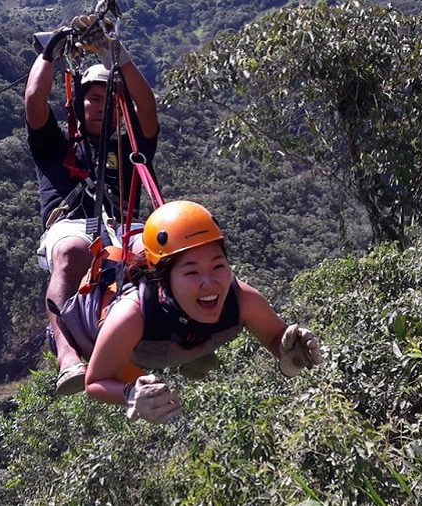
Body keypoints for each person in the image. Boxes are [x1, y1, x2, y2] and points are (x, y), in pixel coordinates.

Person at [84, 201, 323, 424]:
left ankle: (195, 350)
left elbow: (276, 338)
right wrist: (131, 393)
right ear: (164, 279)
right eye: (191, 272)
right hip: (132, 348)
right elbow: (94, 382)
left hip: (177, 342)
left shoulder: (241, 300)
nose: (209, 283)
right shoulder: (133, 315)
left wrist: (289, 351)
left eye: (218, 266)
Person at [25, 21, 159, 395]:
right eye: (93, 99)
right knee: (71, 251)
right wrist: (48, 53)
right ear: (78, 102)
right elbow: (35, 103)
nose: (101, 108)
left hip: (122, 225)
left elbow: (147, 113)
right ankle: (68, 360)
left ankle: (184, 330)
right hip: (71, 225)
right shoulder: (55, 147)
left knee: (164, 249)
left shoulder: (130, 147)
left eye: (109, 101)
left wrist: (119, 58)